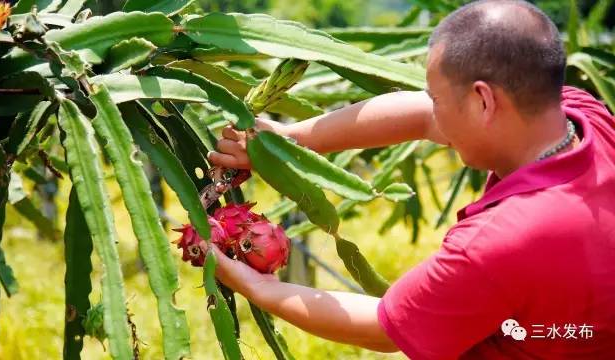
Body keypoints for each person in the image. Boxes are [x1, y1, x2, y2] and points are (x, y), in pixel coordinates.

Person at [205, 0, 615, 358]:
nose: (433, 111)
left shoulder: (498, 243)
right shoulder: (585, 120)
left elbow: (384, 328)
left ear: (483, 101)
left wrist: (258, 288)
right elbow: (420, 115)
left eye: (438, 98)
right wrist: (289, 140)